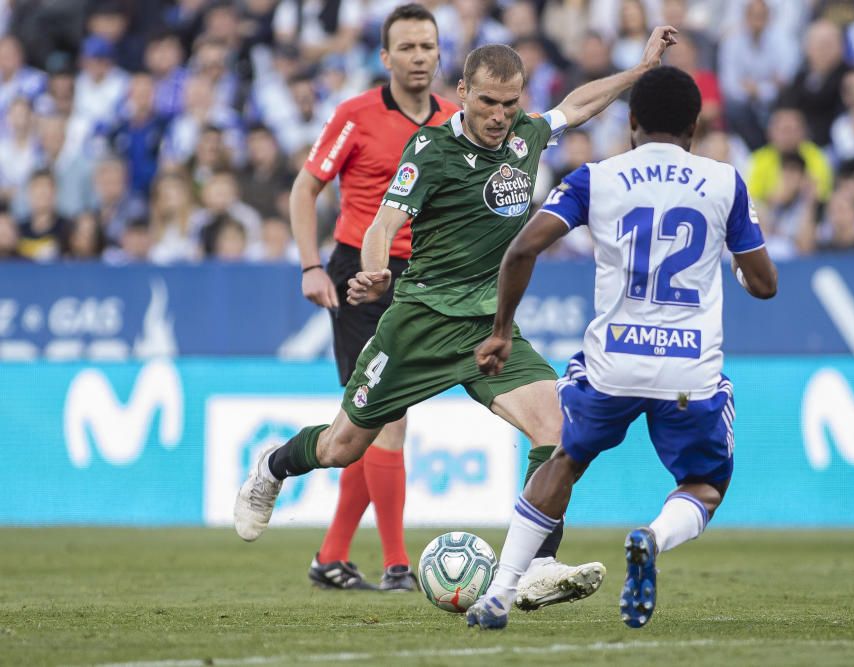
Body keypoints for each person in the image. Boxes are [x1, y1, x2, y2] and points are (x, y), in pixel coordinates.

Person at [235, 24, 681, 612]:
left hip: (487, 328)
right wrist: (374, 272)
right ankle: (270, 468)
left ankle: (536, 565)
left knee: (558, 428)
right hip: (420, 321)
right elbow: (383, 227)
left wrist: (640, 72)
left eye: (510, 103)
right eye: (488, 103)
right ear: (464, 91)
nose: (500, 116)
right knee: (342, 447)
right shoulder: (431, 148)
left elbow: (576, 105)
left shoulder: (526, 134)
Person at [464, 65, 778, 630]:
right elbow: (765, 284)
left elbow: (521, 251)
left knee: (566, 459)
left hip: (613, 362)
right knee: (706, 484)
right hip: (688, 369)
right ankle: (652, 538)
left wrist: (503, 329)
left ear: (631, 121)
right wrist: (732, 263)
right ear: (696, 124)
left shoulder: (596, 178)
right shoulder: (725, 181)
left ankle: (500, 594)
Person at [287, 3, 459, 593]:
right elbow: (306, 188)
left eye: (427, 47)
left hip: (424, 280)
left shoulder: (456, 122)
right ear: (384, 58)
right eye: (406, 48)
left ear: (440, 54)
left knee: (366, 424)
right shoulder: (355, 115)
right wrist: (312, 266)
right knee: (386, 417)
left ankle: (331, 556)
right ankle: (397, 566)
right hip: (361, 273)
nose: (418, 57)